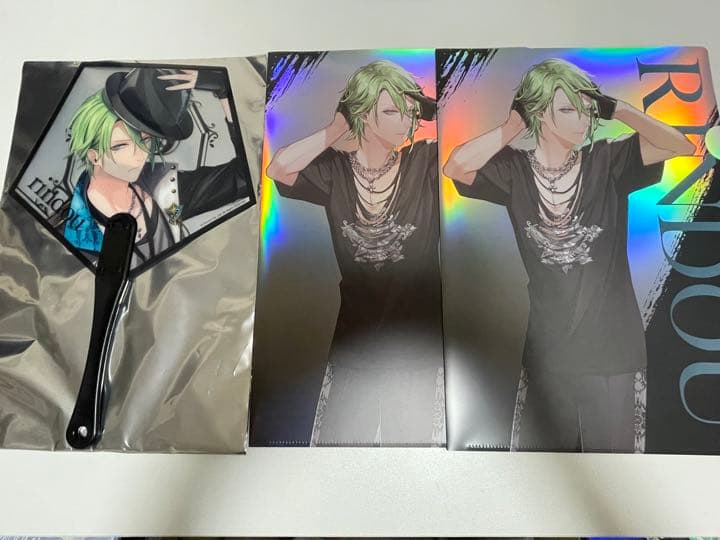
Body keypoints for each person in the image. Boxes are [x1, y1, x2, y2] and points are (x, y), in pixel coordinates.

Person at [443, 58, 695, 452]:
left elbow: (680, 145)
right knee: (543, 470)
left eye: (586, 110)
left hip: (612, 349)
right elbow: (455, 166)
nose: (581, 120)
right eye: (567, 109)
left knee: (612, 468)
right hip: (548, 350)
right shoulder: (514, 171)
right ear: (539, 113)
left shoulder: (607, 160)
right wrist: (512, 127)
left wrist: (620, 110)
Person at [266, 60, 445, 446]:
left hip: (417, 346)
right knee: (341, 452)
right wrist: (336, 128)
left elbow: (464, 160)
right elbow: (278, 169)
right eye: (391, 111)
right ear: (361, 115)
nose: (405, 121)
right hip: (354, 343)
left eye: (409, 111)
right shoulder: (334, 170)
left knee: (412, 459)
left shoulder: (423, 161)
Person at [63, 67, 251, 268]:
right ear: (94, 156)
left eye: (145, 141)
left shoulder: (168, 192)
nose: (139, 154)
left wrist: (223, 90)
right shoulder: (71, 234)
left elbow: (244, 177)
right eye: (121, 145)